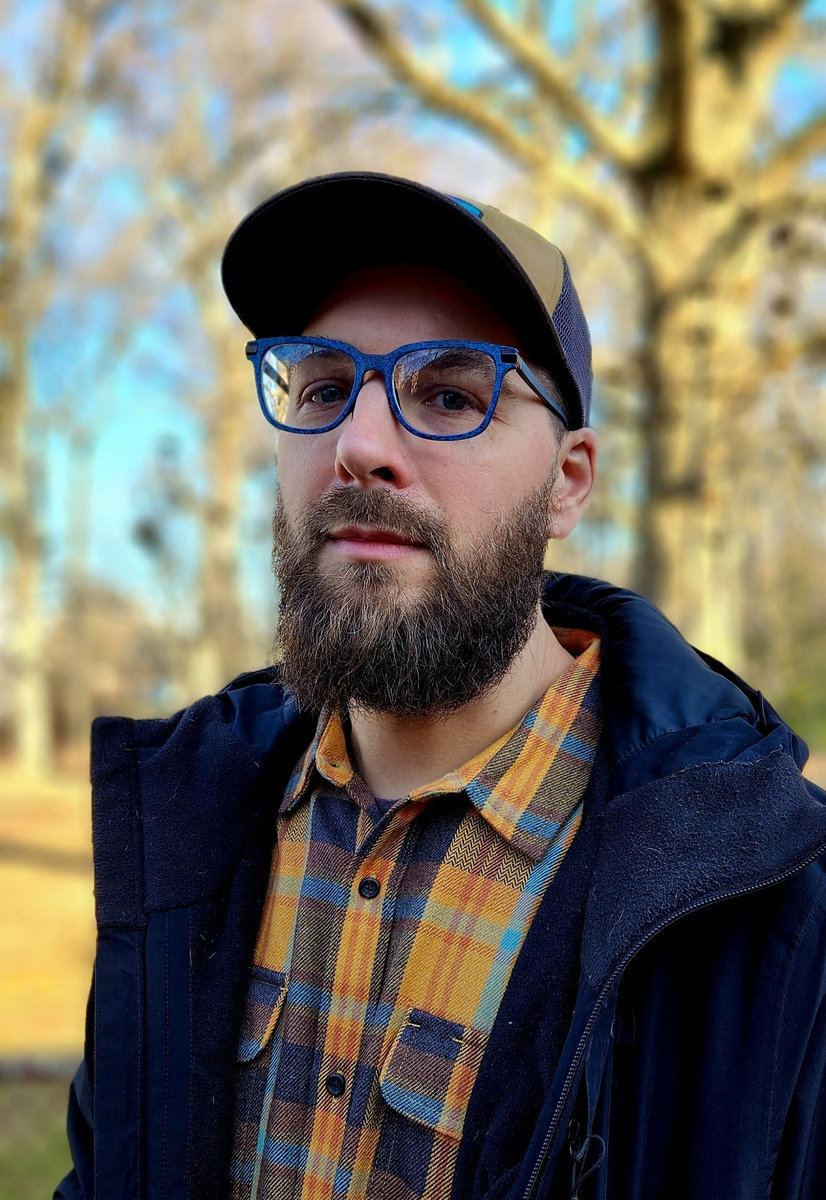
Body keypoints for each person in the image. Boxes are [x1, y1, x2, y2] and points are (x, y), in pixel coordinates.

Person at [57, 172, 826, 1200]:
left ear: (567, 483)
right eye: (324, 388)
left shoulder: (772, 913)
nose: (359, 447)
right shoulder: (180, 822)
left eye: (453, 396)